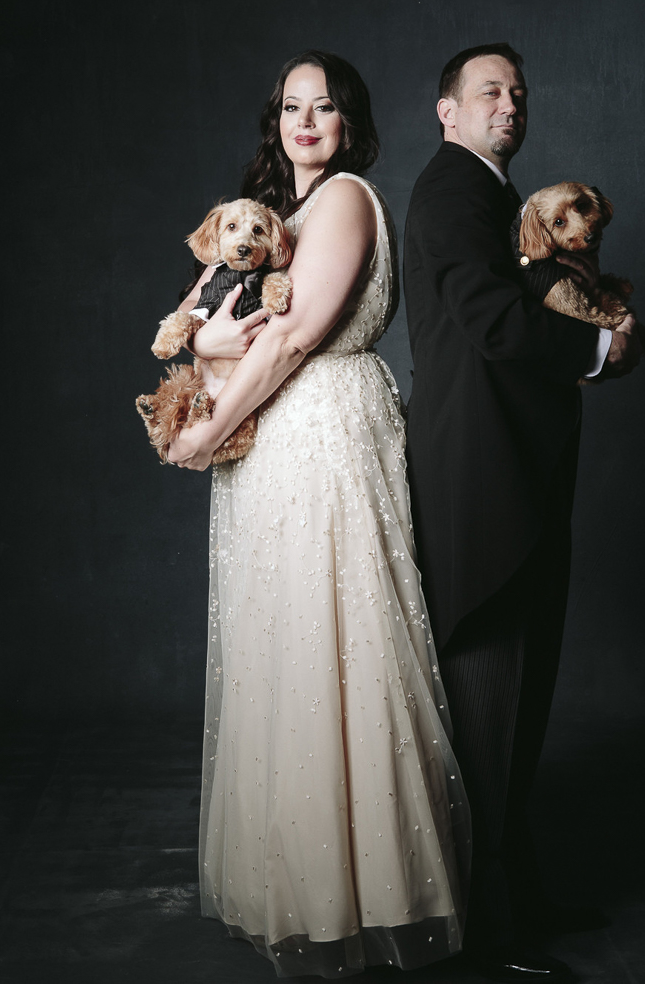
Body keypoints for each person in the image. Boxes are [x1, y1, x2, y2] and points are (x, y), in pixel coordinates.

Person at [167, 51, 470, 978]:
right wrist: (210, 341)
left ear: (349, 123)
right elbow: (196, 320)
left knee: (336, 645)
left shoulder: (342, 198)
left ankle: (369, 889)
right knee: (283, 647)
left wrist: (210, 425)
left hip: (324, 429)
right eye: (292, 107)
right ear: (277, 121)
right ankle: (299, 878)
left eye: (325, 107)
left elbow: (298, 335)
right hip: (277, 440)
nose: (307, 122)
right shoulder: (269, 216)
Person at [403, 43, 643, 983]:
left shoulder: (500, 198)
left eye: (519, 93)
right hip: (481, 483)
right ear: (448, 113)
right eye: (489, 92)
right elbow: (491, 324)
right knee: (488, 710)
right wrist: (600, 351)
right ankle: (489, 926)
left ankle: (521, 896)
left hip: (517, 477)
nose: (510, 104)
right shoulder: (452, 194)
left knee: (518, 703)